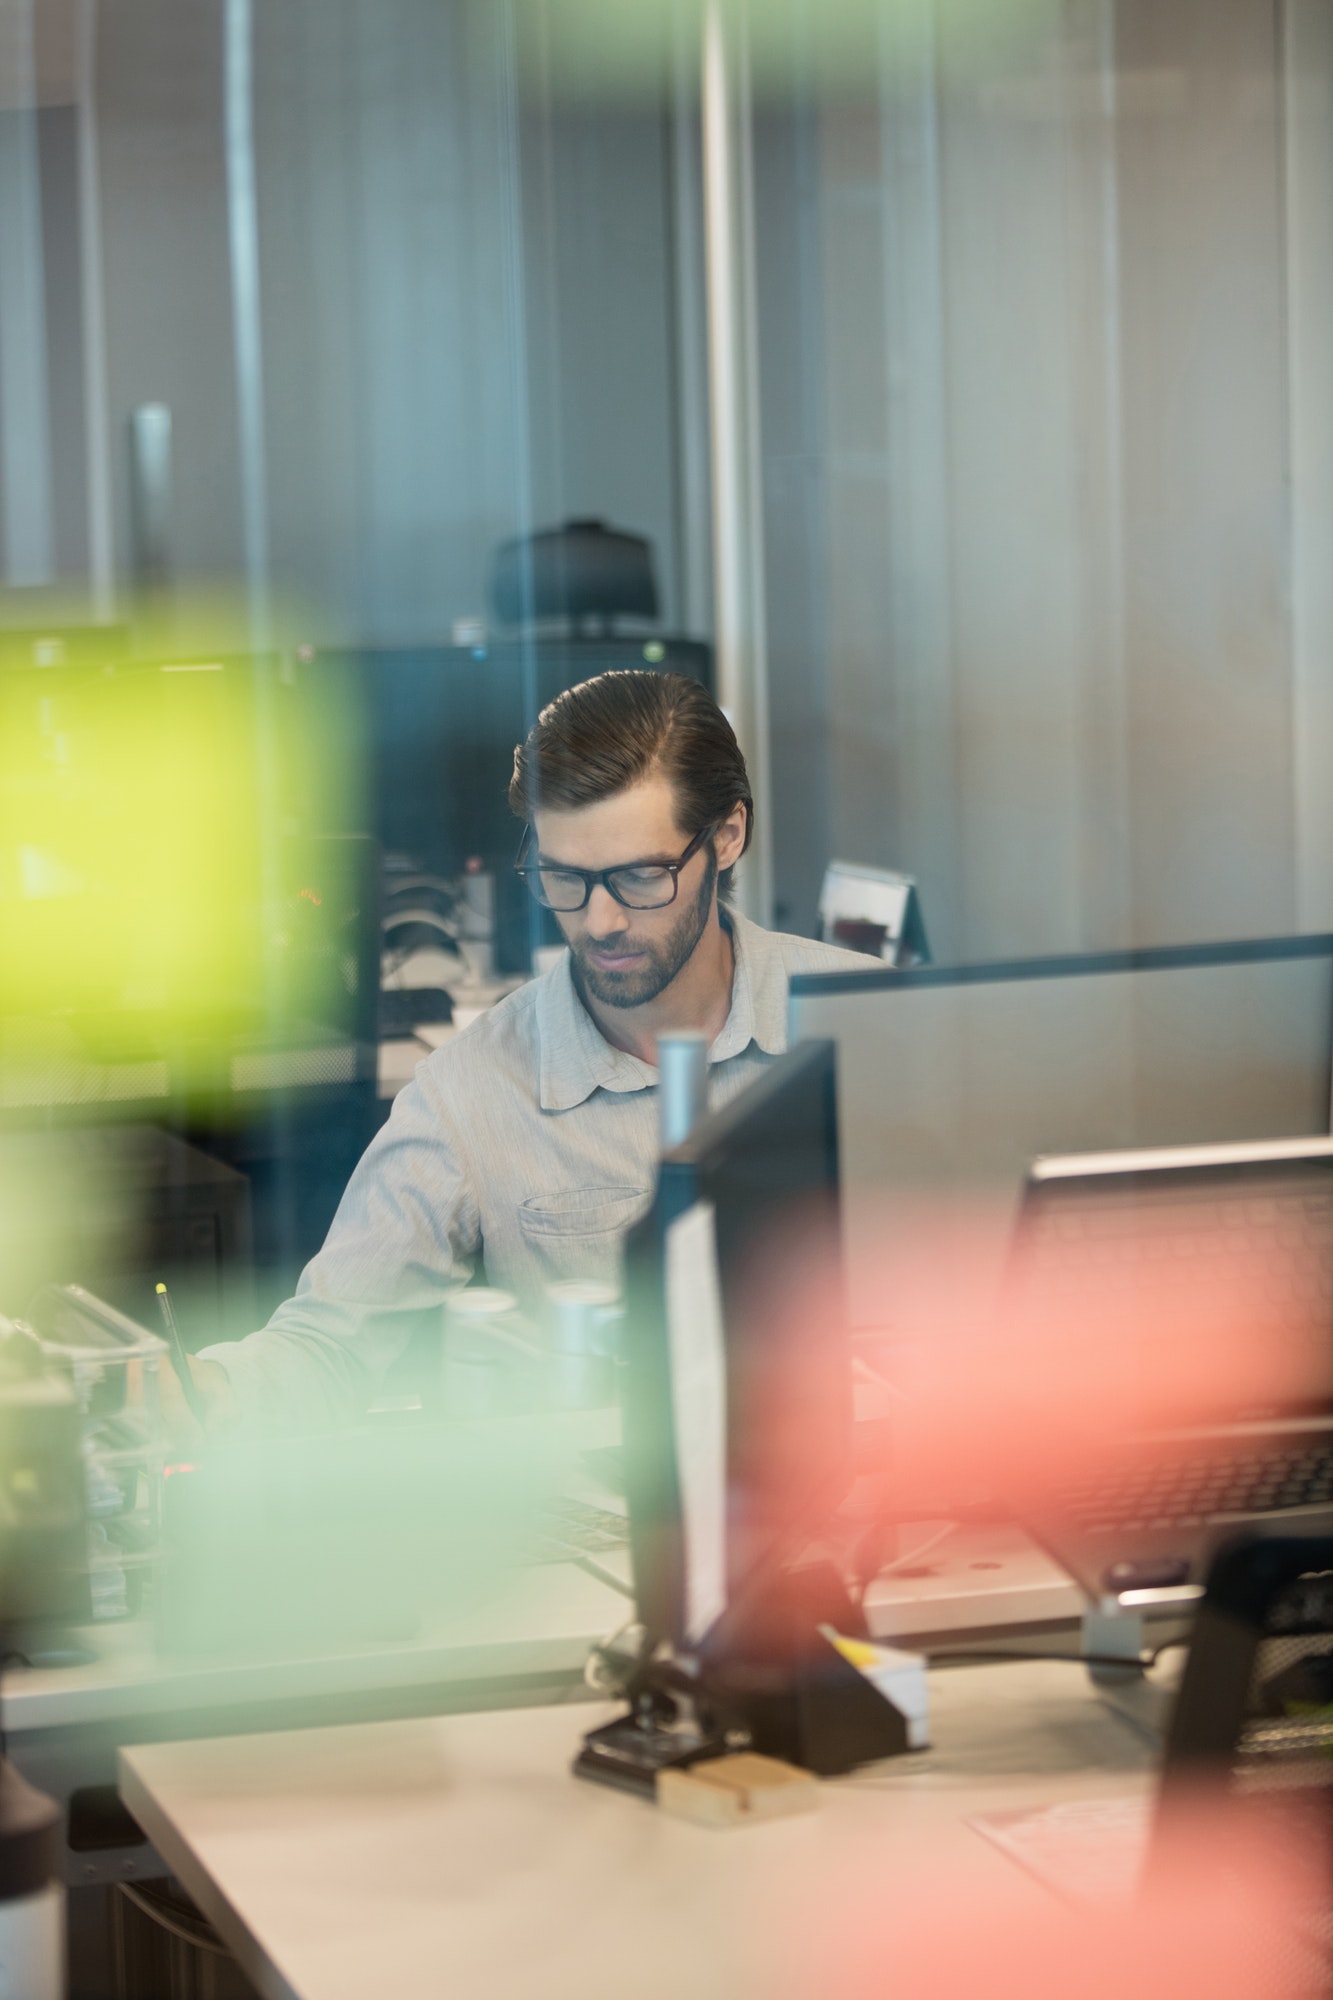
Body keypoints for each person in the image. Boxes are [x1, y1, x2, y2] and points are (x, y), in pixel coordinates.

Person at [181, 671, 872, 1431]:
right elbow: (330, 1344)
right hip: (618, 1525)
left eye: (640, 877)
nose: (599, 921)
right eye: (564, 878)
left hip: (906, 1502)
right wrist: (183, 1393)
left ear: (728, 835)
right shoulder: (470, 1090)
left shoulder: (876, 1020)